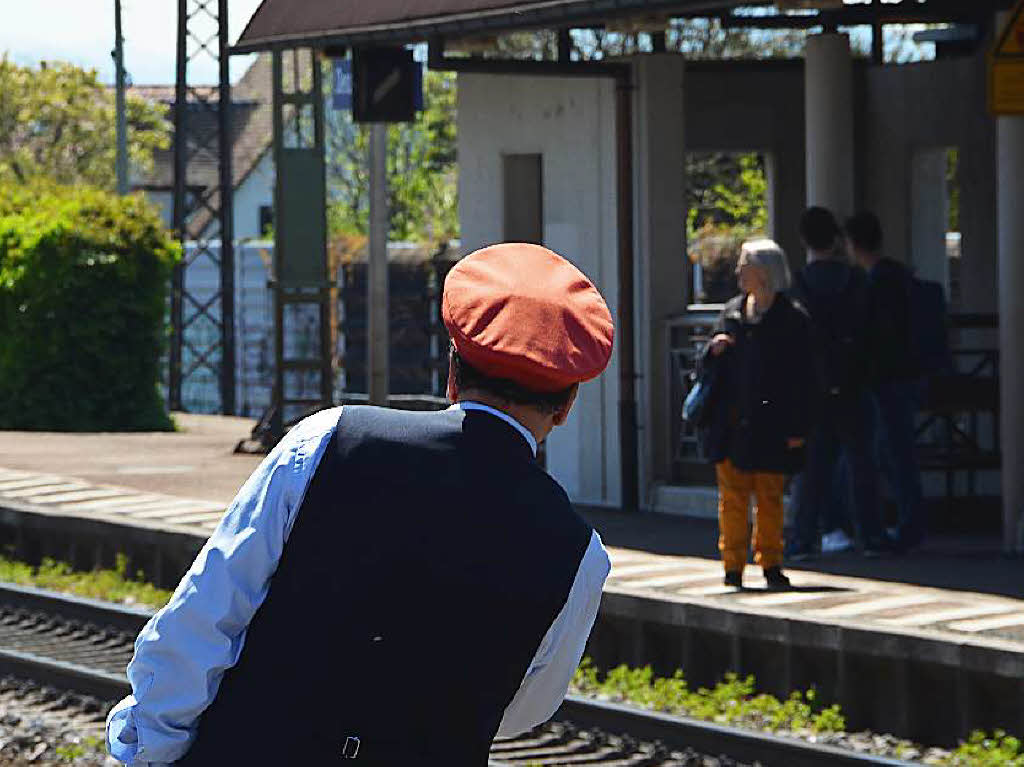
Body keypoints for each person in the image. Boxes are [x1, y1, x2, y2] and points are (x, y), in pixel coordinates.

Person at [105, 243, 615, 766]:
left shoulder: (331, 439)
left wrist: (146, 752)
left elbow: (205, 617)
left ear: (452, 367)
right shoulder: (579, 556)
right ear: (567, 405)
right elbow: (519, 707)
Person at [702, 239, 815, 590]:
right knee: (732, 499)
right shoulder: (732, 312)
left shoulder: (793, 318)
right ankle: (732, 566)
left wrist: (799, 427)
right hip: (733, 422)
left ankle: (771, 563)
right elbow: (706, 366)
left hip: (773, 423)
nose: (738, 272)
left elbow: (806, 378)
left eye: (744, 265)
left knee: (769, 498)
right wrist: (714, 349)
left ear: (763, 272)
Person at [787, 207, 890, 559]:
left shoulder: (798, 285)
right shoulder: (858, 281)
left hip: (814, 388)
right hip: (854, 383)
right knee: (862, 465)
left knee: (812, 469)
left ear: (804, 241)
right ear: (836, 240)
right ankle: (872, 537)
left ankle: (801, 539)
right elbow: (874, 333)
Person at [845, 211, 926, 552]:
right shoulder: (903, 278)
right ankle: (906, 526)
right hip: (908, 374)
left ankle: (901, 529)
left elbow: (874, 335)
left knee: (890, 454)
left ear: (852, 244)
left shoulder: (875, 283)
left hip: (884, 378)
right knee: (899, 454)